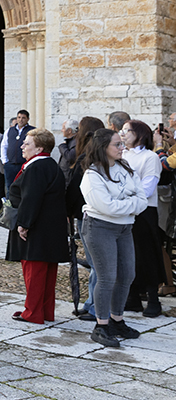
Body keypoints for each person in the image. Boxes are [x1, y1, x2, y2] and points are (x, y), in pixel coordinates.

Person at [80, 128, 147, 347]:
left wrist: (125, 206)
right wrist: (130, 204)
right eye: (117, 144)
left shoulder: (124, 168)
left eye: (121, 143)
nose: (122, 147)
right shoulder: (92, 175)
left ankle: (117, 319)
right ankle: (101, 324)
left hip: (124, 228)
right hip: (100, 227)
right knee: (107, 276)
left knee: (127, 274)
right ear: (103, 148)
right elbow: (106, 207)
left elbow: (143, 198)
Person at [6, 128, 69, 324]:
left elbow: (31, 198)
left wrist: (24, 224)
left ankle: (32, 313)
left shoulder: (36, 167)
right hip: (50, 227)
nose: (22, 146)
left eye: (27, 143)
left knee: (34, 272)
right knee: (47, 273)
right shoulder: (50, 165)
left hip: (37, 228)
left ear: (40, 147)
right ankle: (45, 311)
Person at [120, 120, 166, 317]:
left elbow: (148, 187)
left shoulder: (150, 157)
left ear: (139, 133)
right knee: (129, 255)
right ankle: (132, 298)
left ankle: (153, 299)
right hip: (125, 210)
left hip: (144, 211)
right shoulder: (122, 154)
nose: (123, 134)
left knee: (147, 254)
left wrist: (123, 192)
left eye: (127, 131)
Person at [67, 116, 106, 321]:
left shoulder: (88, 159)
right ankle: (91, 303)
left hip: (88, 215)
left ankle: (95, 307)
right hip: (90, 214)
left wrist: (68, 211)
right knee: (95, 263)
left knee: (96, 264)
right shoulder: (95, 156)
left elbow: (75, 190)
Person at [2, 109, 35, 187]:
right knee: (10, 186)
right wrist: (4, 161)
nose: (21, 120)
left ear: (28, 119)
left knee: (25, 186)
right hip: (10, 164)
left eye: (23, 118)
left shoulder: (32, 130)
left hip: (25, 164)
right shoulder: (9, 130)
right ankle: (10, 200)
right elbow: (4, 145)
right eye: (19, 117)